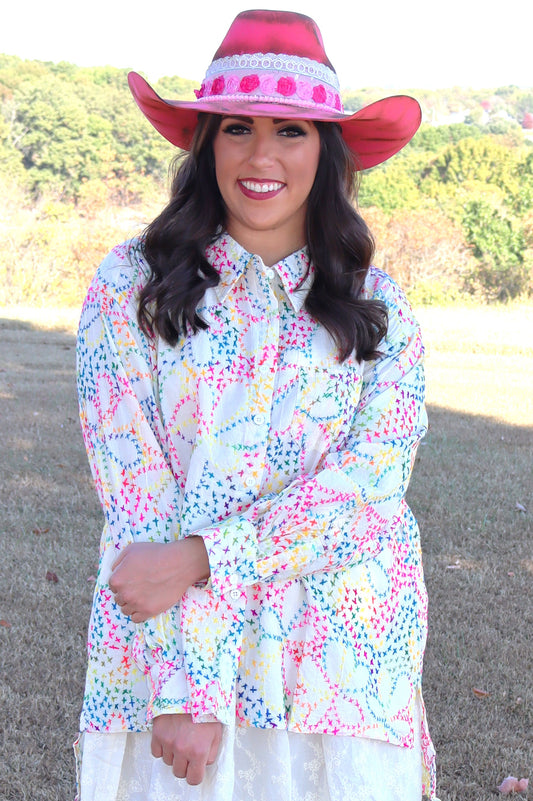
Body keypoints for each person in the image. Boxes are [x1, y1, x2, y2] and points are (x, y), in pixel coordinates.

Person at [75, 9, 438, 801]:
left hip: (336, 669)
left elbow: (369, 494)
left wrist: (204, 558)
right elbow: (139, 501)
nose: (261, 155)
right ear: (205, 143)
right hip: (172, 678)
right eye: (237, 127)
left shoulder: (380, 308)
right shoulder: (130, 286)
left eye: (292, 131)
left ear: (327, 149)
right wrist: (184, 686)